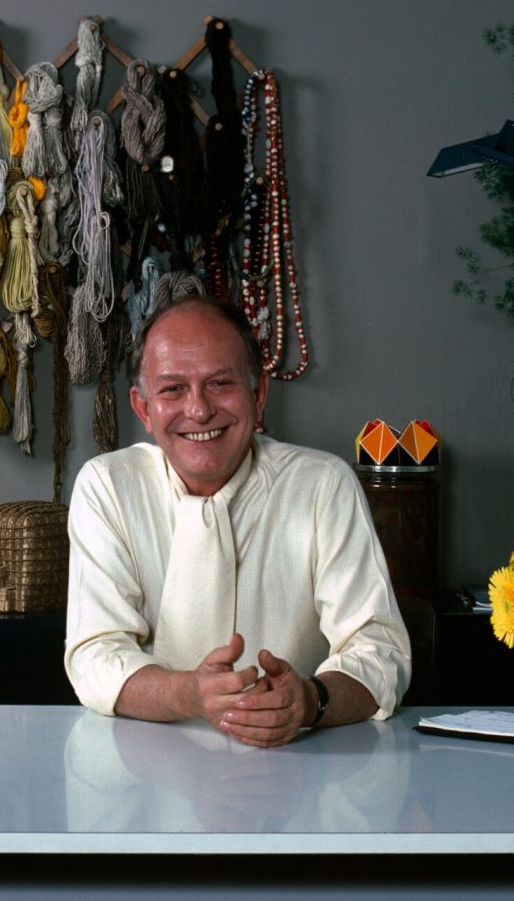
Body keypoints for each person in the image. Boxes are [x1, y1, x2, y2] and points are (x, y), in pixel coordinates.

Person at [64, 293, 411, 748]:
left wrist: (310, 701)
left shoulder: (323, 483)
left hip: (296, 763)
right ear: (144, 410)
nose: (199, 410)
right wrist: (190, 694)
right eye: (172, 389)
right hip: (146, 764)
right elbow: (94, 656)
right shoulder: (108, 486)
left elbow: (380, 650)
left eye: (220, 383)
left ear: (259, 394)